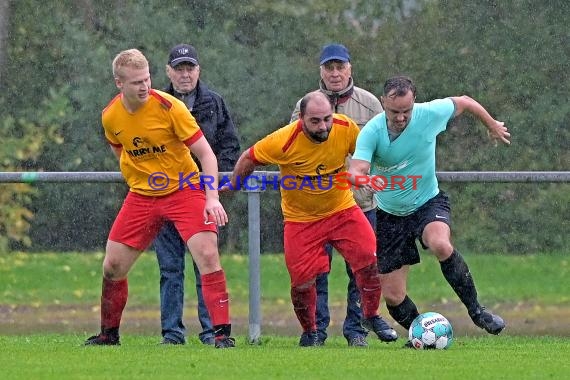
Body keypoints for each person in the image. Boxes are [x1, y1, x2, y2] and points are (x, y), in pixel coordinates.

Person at [84, 48, 235, 348]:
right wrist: (139, 178)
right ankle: (108, 334)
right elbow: (121, 151)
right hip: (142, 196)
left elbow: (206, 154)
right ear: (119, 83)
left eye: (147, 79)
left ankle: (221, 335)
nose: (144, 86)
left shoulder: (170, 107)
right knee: (112, 266)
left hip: (185, 189)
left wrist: (212, 198)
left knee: (207, 255)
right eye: (137, 82)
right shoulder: (110, 116)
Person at [224, 90, 394, 347]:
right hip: (301, 221)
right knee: (302, 283)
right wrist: (235, 185)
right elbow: (249, 157)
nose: (323, 126)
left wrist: (372, 174)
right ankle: (311, 331)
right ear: (301, 119)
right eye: (315, 121)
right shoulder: (283, 140)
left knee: (368, 260)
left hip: (342, 211)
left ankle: (371, 316)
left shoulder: (345, 127)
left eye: (327, 118)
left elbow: (366, 154)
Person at [349, 75, 510, 345]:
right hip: (389, 215)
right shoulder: (372, 131)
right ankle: (422, 334)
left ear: (414, 102)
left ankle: (477, 312)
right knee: (393, 296)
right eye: (394, 112)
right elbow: (355, 171)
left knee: (440, 245)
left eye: (406, 111)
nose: (401, 118)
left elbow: (466, 101)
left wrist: (492, 125)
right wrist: (364, 178)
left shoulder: (430, 113)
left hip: (427, 202)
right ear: (382, 103)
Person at [290, 43, 391, 347]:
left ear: (350, 68)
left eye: (340, 67)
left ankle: (356, 330)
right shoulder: (304, 105)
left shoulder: (371, 104)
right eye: (328, 68)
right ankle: (316, 331)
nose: (334, 73)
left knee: (361, 269)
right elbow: (292, 147)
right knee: (316, 272)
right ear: (320, 70)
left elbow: (384, 149)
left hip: (360, 202)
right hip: (317, 206)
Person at [153, 44, 240, 345]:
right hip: (164, 195)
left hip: (201, 199)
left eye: (190, 67)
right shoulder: (156, 104)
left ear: (198, 70)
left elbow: (229, 147)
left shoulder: (214, 103)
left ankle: (211, 331)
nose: (185, 74)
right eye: (179, 68)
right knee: (169, 268)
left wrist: (213, 187)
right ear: (168, 72)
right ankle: (172, 334)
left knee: (207, 264)